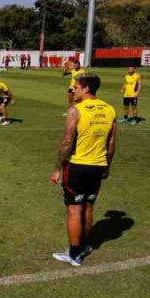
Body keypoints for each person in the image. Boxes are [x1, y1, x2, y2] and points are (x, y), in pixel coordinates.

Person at [50, 73, 117, 267]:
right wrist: (107, 166)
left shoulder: (76, 110)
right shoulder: (110, 109)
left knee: (74, 210)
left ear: (86, 88)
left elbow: (67, 142)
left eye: (76, 87)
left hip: (78, 166)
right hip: (98, 166)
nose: (73, 90)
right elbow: (111, 143)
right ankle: (85, 246)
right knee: (88, 206)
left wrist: (57, 168)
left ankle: (74, 254)